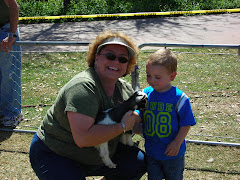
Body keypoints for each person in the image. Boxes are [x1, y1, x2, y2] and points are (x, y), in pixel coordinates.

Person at [29, 30, 147, 180]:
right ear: (96, 57)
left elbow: (132, 125)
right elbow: (83, 138)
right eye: (110, 56)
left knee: (136, 163)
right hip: (57, 154)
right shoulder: (83, 87)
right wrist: (122, 126)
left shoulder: (124, 89)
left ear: (128, 65)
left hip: (97, 154)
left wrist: (160, 130)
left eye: (123, 59)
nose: (116, 62)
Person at [137, 49, 196, 180]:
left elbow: (186, 124)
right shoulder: (145, 94)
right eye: (148, 75)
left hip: (172, 153)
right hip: (152, 151)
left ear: (172, 76)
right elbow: (138, 113)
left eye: (157, 77)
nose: (152, 80)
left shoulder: (180, 98)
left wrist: (177, 142)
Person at [0, 0, 23, 128]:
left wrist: (12, 34)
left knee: (8, 74)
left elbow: (14, 6)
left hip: (6, 29)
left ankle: (12, 114)